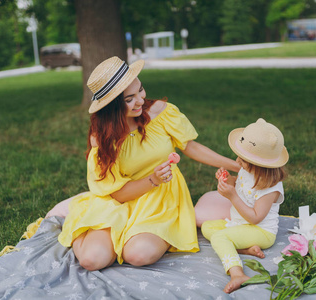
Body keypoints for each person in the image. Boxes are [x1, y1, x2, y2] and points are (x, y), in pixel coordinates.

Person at [49, 56, 240, 271]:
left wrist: (236, 165)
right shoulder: (102, 138)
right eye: (129, 99)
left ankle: (148, 233)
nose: (140, 100)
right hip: (119, 200)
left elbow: (191, 147)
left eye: (140, 90)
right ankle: (79, 220)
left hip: (161, 199)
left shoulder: (160, 111)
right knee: (91, 260)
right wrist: (152, 179)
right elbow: (118, 194)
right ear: (112, 107)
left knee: (138, 255)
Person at [195, 118, 289, 293]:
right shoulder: (248, 170)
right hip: (240, 223)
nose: (237, 161)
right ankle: (246, 249)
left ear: (260, 167)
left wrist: (232, 196)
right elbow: (241, 183)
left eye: (243, 159)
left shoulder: (270, 188)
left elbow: (255, 218)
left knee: (219, 238)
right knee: (207, 227)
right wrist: (227, 179)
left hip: (260, 231)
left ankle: (237, 273)